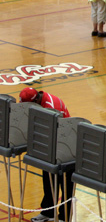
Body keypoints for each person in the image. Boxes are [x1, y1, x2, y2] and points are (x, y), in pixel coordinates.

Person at [19, 88, 72, 222]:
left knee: (64, 184)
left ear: (36, 100)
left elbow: (60, 132)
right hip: (50, 146)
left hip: (66, 148)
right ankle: (48, 212)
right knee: (48, 181)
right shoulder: (39, 103)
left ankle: (64, 216)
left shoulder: (52, 108)